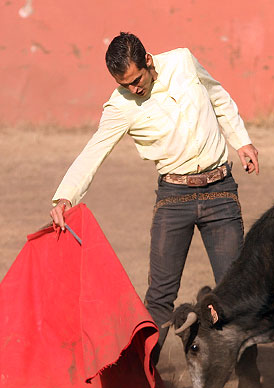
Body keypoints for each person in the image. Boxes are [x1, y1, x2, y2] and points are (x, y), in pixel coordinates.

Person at [50, 32, 260, 354]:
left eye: (135, 80)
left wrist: (241, 140)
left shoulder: (183, 61)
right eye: (124, 84)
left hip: (220, 192)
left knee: (234, 292)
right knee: (160, 299)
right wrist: (65, 197)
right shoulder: (120, 105)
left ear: (148, 61)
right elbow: (95, 150)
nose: (133, 89)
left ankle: (249, 380)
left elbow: (217, 95)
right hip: (174, 199)